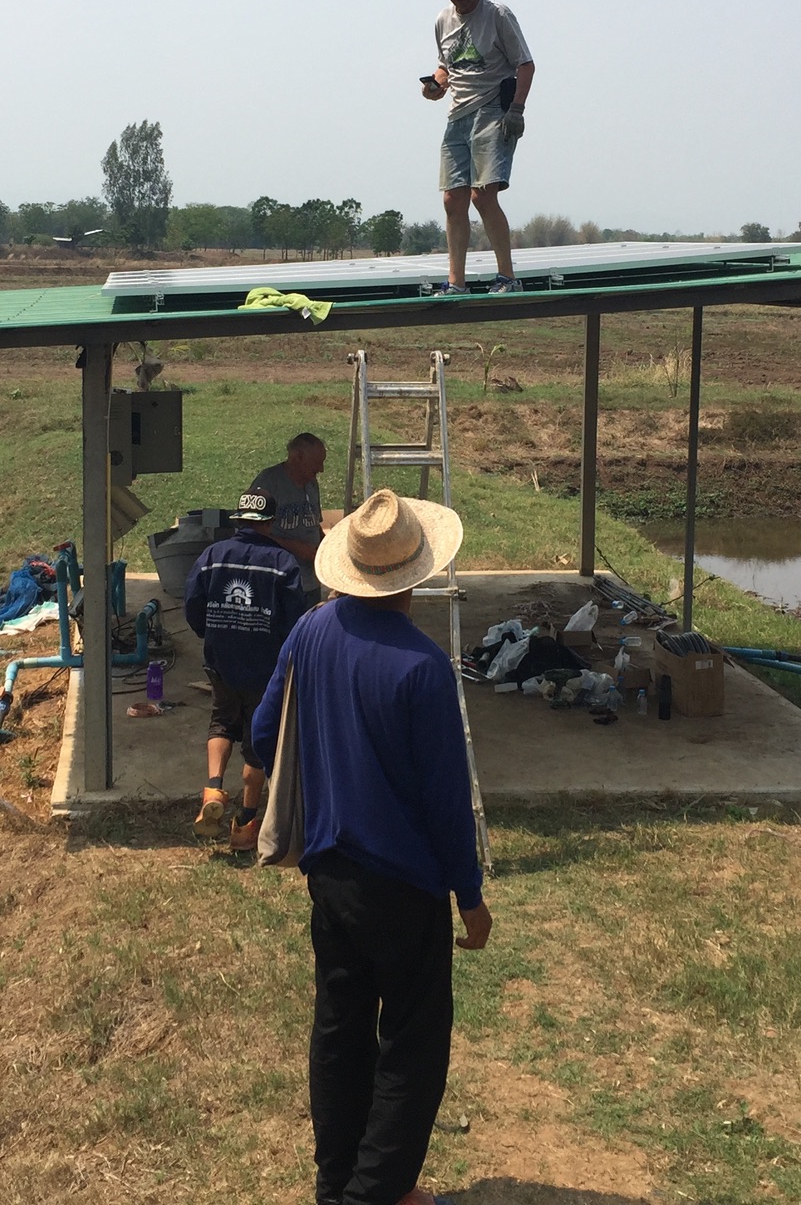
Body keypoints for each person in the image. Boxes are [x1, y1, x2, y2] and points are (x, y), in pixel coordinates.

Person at [251, 487, 491, 1205]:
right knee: (412, 1043)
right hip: (405, 882)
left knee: (340, 1027)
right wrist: (469, 896)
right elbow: (445, 801)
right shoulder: (421, 668)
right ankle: (375, 1193)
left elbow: (265, 733)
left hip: (328, 872)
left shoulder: (311, 631)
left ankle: (337, 1185)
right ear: (415, 572)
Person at [183, 490, 309, 850]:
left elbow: (193, 604)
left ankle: (213, 789)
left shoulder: (211, 556)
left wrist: (210, 634)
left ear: (237, 520)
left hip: (222, 660)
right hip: (265, 667)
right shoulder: (283, 563)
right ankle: (245, 826)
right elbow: (293, 619)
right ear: (269, 523)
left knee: (221, 720)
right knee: (257, 742)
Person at [423, 0, 535, 295]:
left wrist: (516, 110)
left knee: (483, 196)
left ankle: (508, 277)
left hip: (492, 110)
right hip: (457, 115)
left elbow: (526, 65)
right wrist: (435, 85)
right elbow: (446, 66)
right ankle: (456, 282)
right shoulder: (443, 20)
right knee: (452, 200)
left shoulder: (497, 15)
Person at [249, 432, 328, 600]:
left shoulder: (312, 483)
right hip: (281, 582)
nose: (321, 469)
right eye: (317, 462)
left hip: (311, 582)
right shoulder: (268, 482)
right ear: (297, 457)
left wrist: (326, 547)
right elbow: (252, 531)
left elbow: (314, 524)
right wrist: (296, 548)